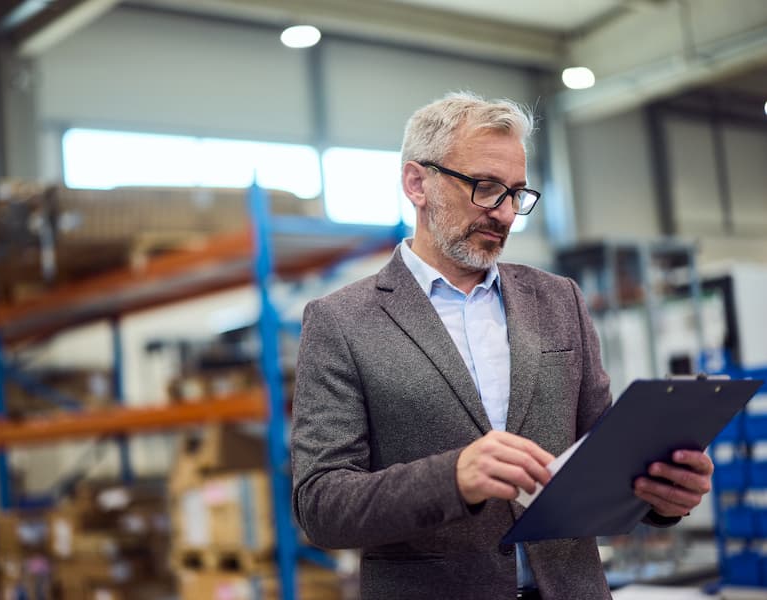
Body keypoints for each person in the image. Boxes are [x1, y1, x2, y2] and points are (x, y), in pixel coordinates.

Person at [290, 91, 713, 600]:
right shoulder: (342, 321)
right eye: (487, 188)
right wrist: (452, 478)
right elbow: (321, 506)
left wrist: (663, 496)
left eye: (517, 193)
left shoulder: (559, 300)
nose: (507, 214)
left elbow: (600, 454)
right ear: (417, 183)